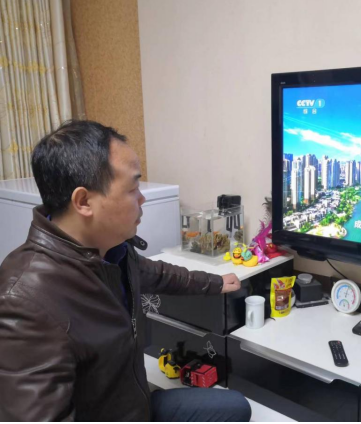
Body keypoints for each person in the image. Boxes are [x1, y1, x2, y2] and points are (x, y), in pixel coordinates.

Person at [0, 120, 251, 421]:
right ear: (84, 201)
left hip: (136, 407)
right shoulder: (25, 303)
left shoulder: (111, 251)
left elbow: (153, 273)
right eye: (133, 188)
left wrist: (215, 282)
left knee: (237, 407)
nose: (142, 198)